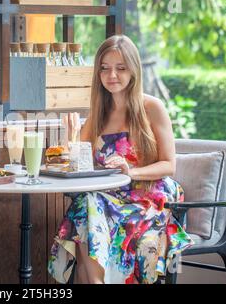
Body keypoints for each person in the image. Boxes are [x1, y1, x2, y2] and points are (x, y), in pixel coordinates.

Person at [48, 35, 194, 284]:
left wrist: (131, 171)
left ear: (133, 70)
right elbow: (79, 163)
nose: (111, 75)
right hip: (108, 197)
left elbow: (169, 164)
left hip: (148, 196)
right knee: (84, 206)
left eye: (120, 68)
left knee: (83, 213)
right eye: (104, 68)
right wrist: (70, 136)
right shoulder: (98, 114)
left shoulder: (152, 107)